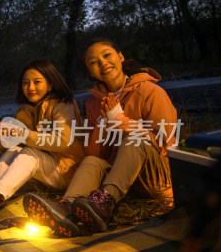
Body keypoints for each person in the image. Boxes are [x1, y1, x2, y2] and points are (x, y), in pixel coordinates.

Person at [23, 38, 179, 237]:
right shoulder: (94, 102)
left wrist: (121, 121)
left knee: (133, 140)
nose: (103, 63)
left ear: (120, 57)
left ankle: (103, 203)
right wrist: (104, 124)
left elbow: (165, 144)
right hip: (124, 181)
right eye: (93, 62)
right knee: (92, 161)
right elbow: (96, 153)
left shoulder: (151, 92)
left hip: (157, 177)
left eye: (107, 55)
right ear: (90, 72)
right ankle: (65, 209)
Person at [0, 60, 84, 220]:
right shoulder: (26, 111)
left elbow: (62, 141)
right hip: (46, 167)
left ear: (51, 84)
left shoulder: (62, 104)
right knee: (16, 150)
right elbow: (16, 156)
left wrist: (23, 134)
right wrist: (0, 140)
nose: (30, 88)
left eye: (37, 82)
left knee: (30, 153)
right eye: (25, 83)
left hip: (68, 171)